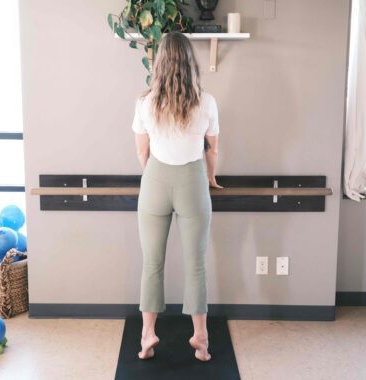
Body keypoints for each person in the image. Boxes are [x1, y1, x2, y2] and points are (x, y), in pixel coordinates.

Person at [131, 31, 223, 362]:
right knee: (195, 265)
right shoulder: (206, 101)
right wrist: (210, 177)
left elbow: (142, 153)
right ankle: (200, 337)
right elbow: (211, 150)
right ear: (190, 62)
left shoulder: (145, 102)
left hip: (155, 179)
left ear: (160, 63)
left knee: (152, 264)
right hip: (193, 182)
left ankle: (147, 336)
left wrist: (156, 177)